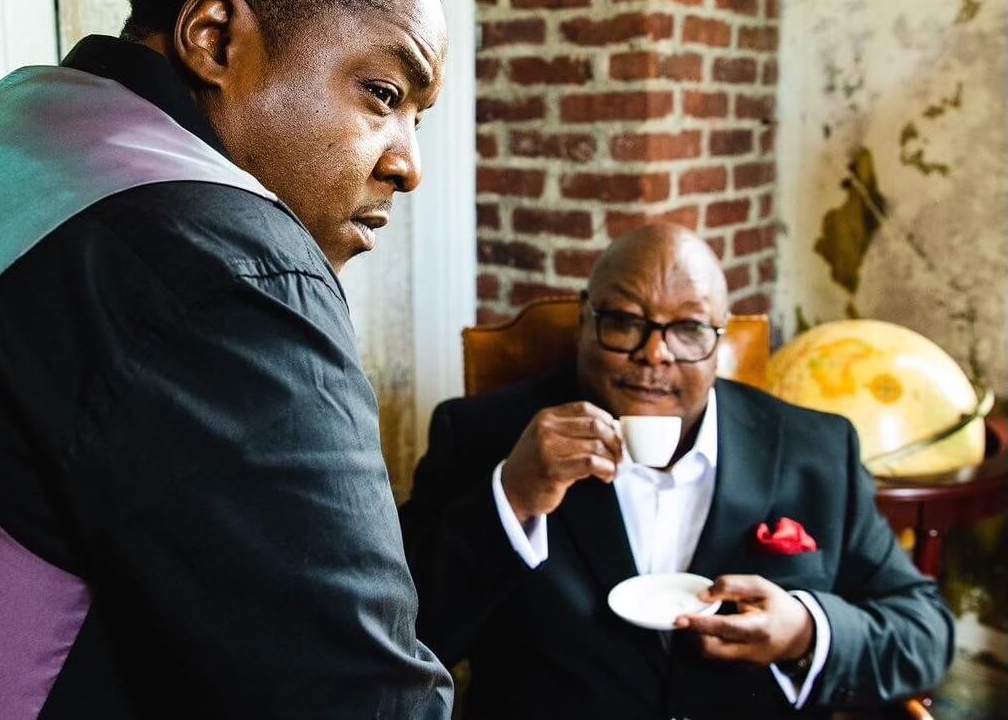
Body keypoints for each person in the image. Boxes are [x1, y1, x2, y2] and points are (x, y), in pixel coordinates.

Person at [0, 0, 453, 716]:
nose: (408, 164)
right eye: (386, 95)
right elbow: (360, 698)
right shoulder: (222, 268)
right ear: (215, 38)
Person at [400, 224, 954, 718]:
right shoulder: (479, 436)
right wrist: (512, 497)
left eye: (688, 329)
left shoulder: (817, 450)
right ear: (583, 321)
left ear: (721, 341)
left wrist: (805, 631)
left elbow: (924, 634)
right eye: (624, 321)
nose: (655, 354)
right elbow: (399, 640)